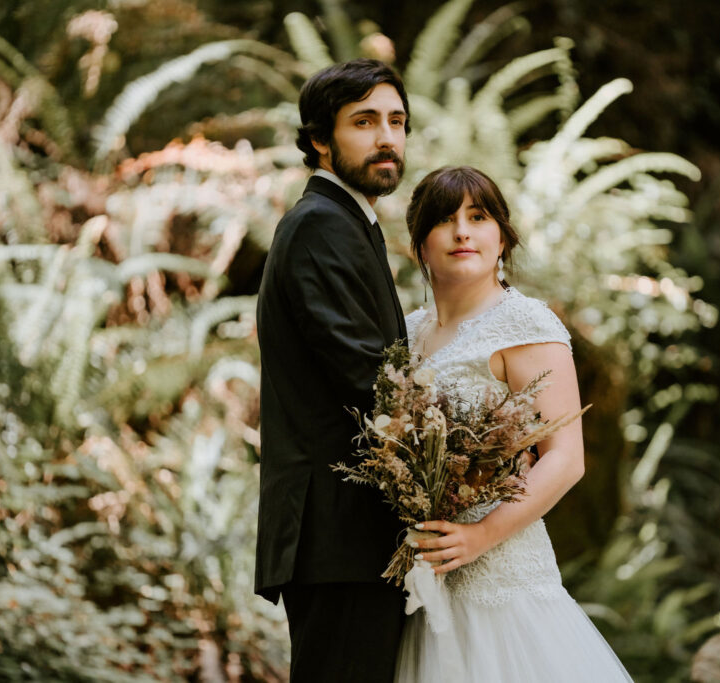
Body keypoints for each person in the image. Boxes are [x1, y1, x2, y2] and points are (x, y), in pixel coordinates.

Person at [395, 166, 633, 681]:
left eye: (478, 217)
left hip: (500, 574)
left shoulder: (525, 325)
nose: (462, 232)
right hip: (421, 578)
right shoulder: (406, 332)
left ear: (501, 238)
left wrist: (479, 535)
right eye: (445, 219)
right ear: (420, 242)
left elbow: (566, 459)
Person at [254, 59, 410, 682]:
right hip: (338, 534)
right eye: (364, 121)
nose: (386, 138)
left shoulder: (349, 222)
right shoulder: (321, 225)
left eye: (397, 122)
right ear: (321, 138)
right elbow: (371, 378)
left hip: (353, 537)